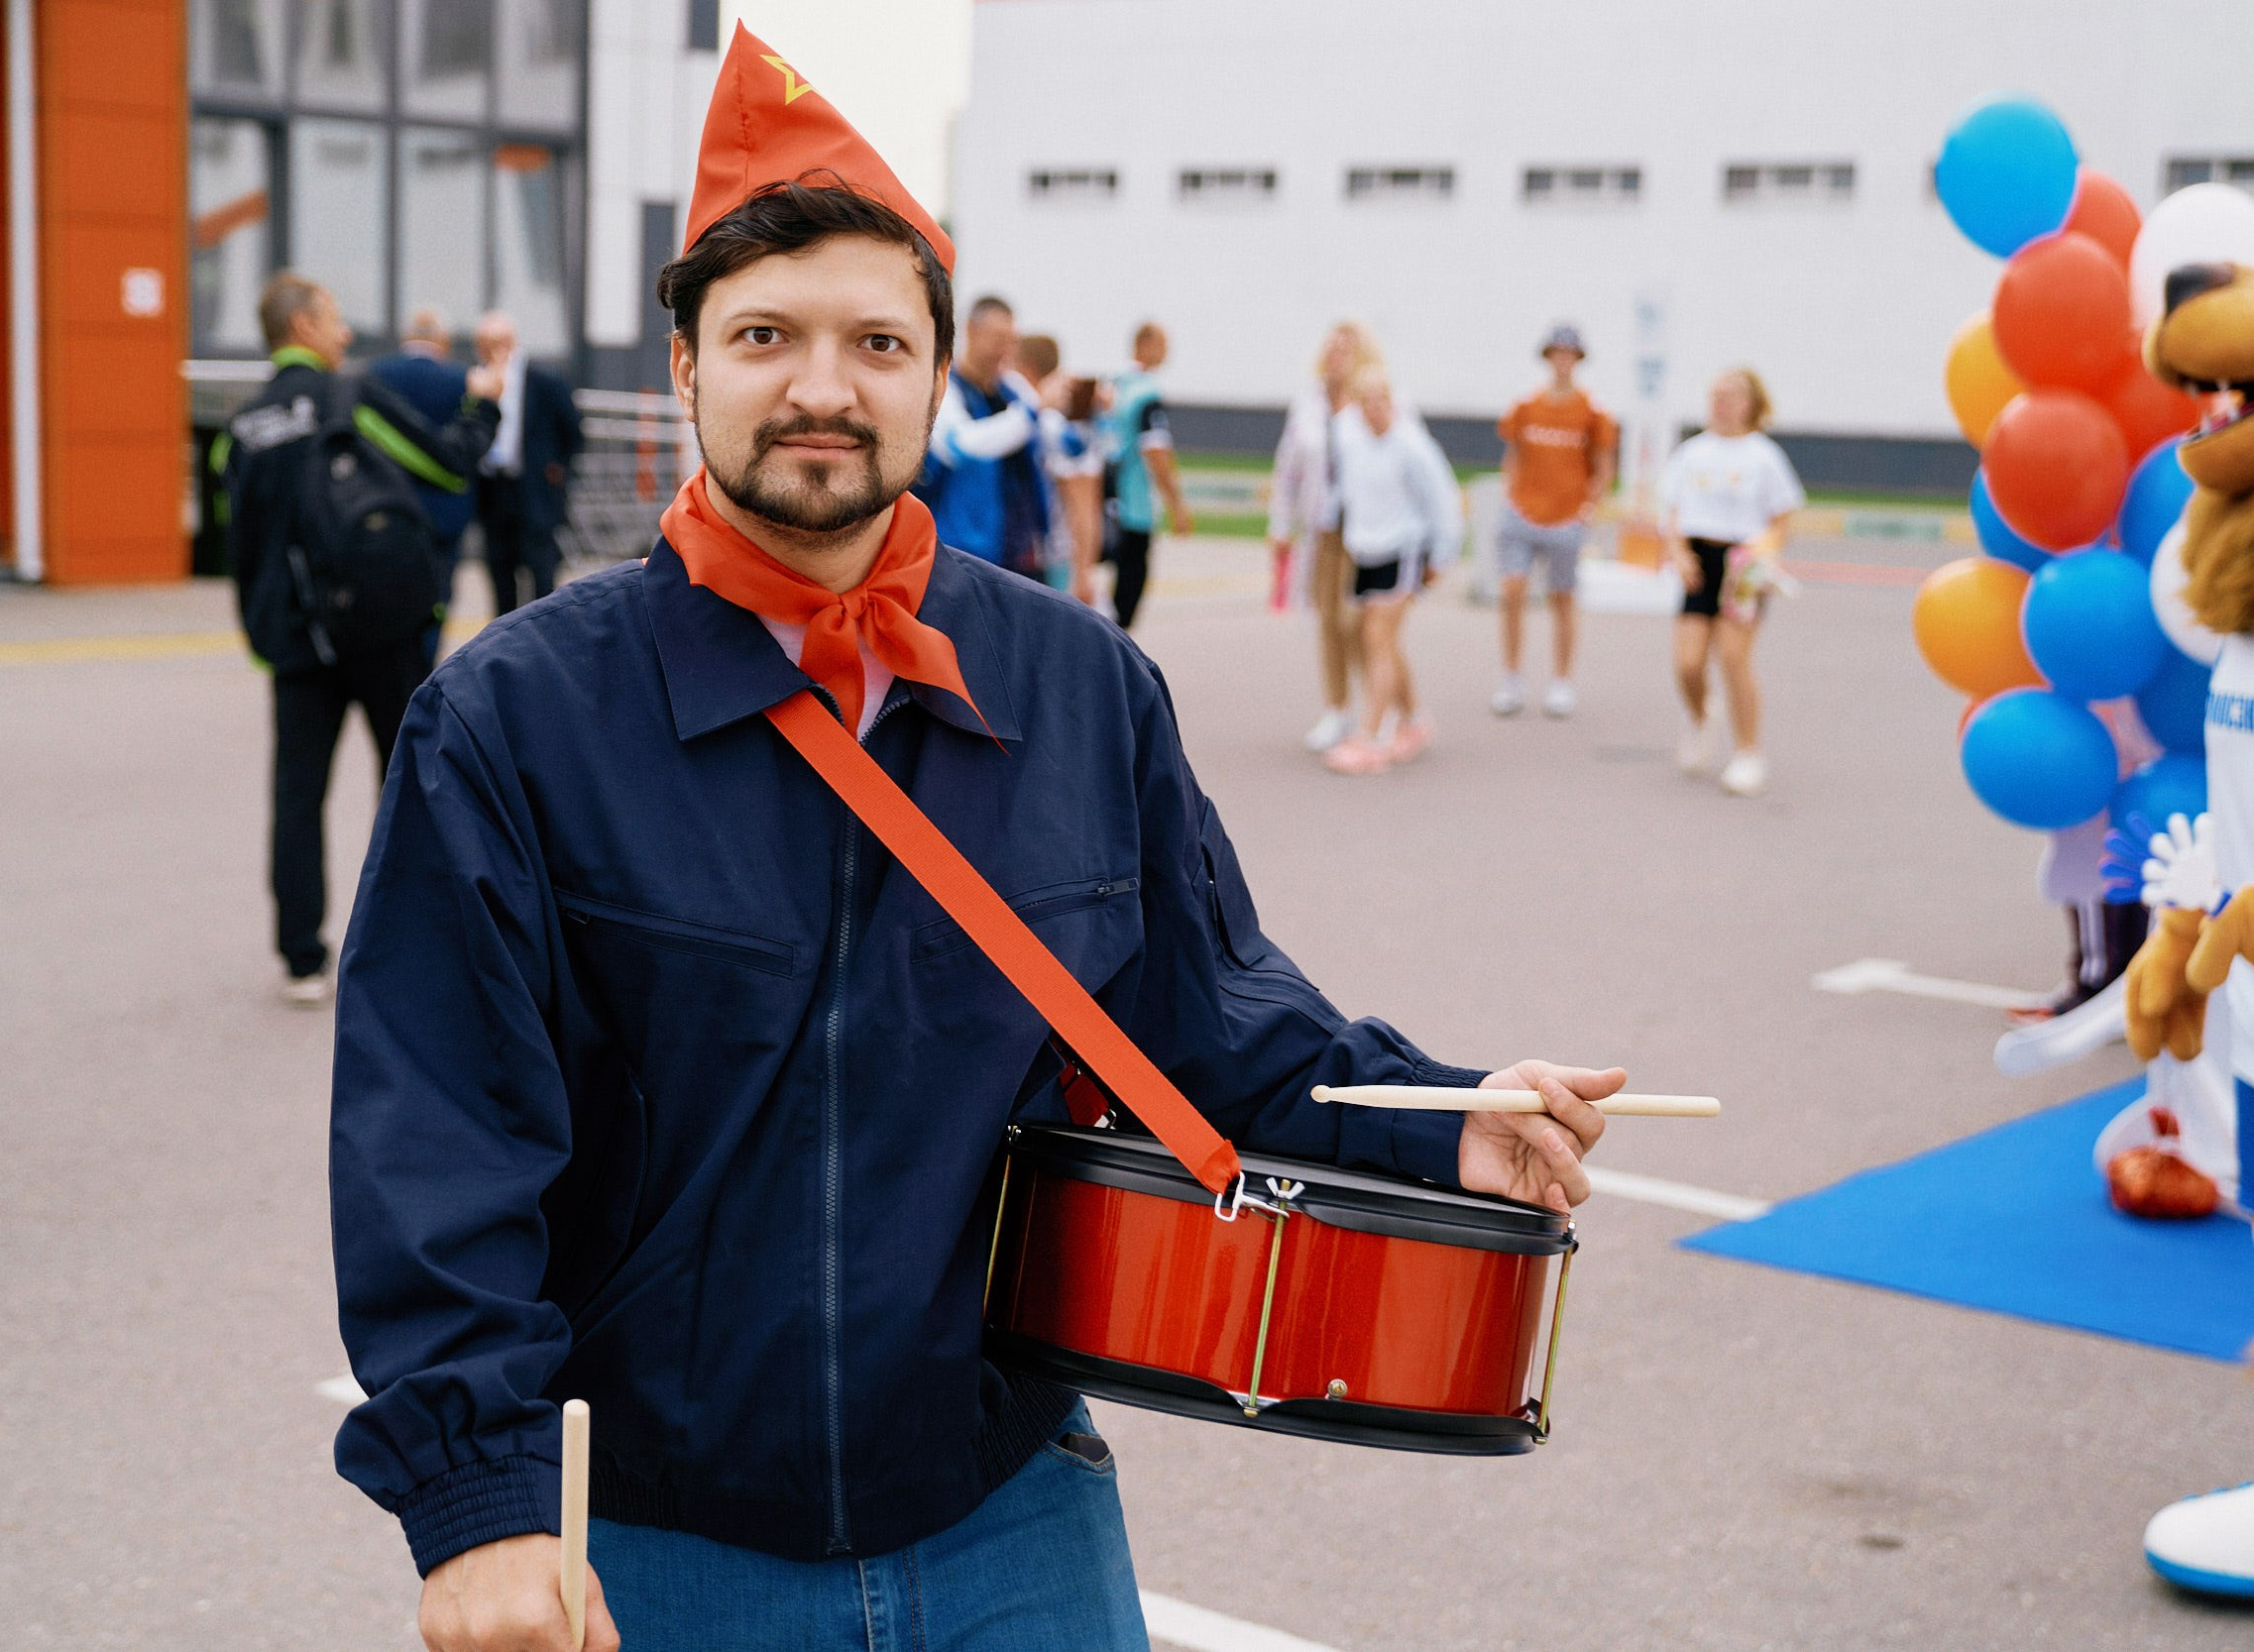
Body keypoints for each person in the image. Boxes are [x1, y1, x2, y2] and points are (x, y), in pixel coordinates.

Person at [330, 27, 1624, 1652]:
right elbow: (435, 1143)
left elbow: (1213, 1017)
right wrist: (478, 1506)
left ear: (938, 373)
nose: (822, 384)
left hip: (1009, 1506)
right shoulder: (513, 722)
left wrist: (1443, 1117)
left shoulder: (1081, 685)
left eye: (878, 338)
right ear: (683, 366)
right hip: (656, 1539)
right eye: (766, 335)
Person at [215, 272, 500, 1004]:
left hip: (294, 636)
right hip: (381, 624)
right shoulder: (350, 396)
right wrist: (483, 407)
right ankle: (405, 943)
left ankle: (303, 957)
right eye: (336, 318)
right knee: (402, 780)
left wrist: (261, 637)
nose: (345, 333)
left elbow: (236, 546)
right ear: (306, 325)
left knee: (298, 792)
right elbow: (445, 461)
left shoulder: (240, 428)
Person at [1659, 368, 1803, 799]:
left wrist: (1766, 547)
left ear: (1750, 403)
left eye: (1730, 396)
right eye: (1715, 395)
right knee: (1687, 662)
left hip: (1742, 564)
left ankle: (1748, 752)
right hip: (1700, 561)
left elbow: (1783, 516)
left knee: (1733, 658)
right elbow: (1672, 513)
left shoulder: (1764, 456)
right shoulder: (1692, 453)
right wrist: (1680, 554)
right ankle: (1702, 717)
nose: (1720, 403)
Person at [1320, 365, 1464, 777]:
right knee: (1384, 641)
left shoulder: (1412, 446)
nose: (1374, 411)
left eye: (1381, 402)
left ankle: (1372, 734)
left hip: (1404, 550)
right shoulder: (1352, 439)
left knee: (1377, 638)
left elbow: (1443, 501)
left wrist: (1441, 556)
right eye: (1366, 403)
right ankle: (1414, 719)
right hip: (1367, 551)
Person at [1492, 324, 1618, 719]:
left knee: (1562, 598)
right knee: (1512, 591)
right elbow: (1512, 454)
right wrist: (1510, 493)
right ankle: (1511, 676)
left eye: (1570, 354)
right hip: (1523, 513)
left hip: (1566, 517)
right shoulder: (1527, 406)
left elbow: (1603, 464)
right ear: (1547, 357)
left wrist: (1590, 506)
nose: (1563, 361)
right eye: (1557, 353)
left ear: (1578, 360)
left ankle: (1561, 680)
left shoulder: (1591, 411)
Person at [1269, 321, 1382, 751]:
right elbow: (1289, 468)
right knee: (1328, 621)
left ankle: (1383, 706)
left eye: (1347, 349)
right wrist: (1280, 524)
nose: (1338, 356)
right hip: (1325, 528)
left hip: (1370, 529)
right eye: (1332, 348)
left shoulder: (1378, 398)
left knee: (1361, 623)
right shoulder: (1309, 404)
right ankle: (1338, 709)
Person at [920, 296, 1053, 579]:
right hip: (962, 552)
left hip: (1021, 551)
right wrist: (1030, 413)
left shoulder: (1014, 389)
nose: (1004, 350)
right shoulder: (945, 389)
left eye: (1010, 340)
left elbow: (1055, 443)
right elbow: (961, 446)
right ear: (970, 330)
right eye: (997, 338)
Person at [370, 308, 478, 636]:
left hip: (384, 509)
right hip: (443, 514)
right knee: (436, 601)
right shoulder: (464, 380)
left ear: (406, 337)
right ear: (442, 341)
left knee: (384, 604)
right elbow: (473, 446)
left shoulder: (374, 375)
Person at [473, 310, 587, 615]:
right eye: (484, 343)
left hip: (534, 491)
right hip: (494, 490)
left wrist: (555, 470)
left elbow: (573, 430)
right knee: (499, 573)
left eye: (498, 341)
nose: (492, 350)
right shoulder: (476, 381)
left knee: (541, 573)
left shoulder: (544, 381)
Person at [1099, 321, 1194, 629]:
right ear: (1146, 344)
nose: (1167, 352)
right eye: (1163, 344)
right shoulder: (1146, 392)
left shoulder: (1111, 384)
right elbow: (1156, 452)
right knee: (1128, 591)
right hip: (1135, 502)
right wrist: (1177, 505)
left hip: (1106, 498)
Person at [1012, 331, 1101, 594]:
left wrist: (1083, 573)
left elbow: (1084, 507)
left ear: (1026, 370)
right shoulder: (1033, 421)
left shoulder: (1058, 429)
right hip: (1039, 556)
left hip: (1059, 560)